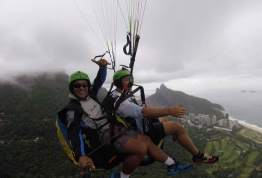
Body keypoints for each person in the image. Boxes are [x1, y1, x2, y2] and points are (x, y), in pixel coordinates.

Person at [56, 59, 193, 178]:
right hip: (103, 135)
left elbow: (98, 81)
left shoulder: (90, 95)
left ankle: (172, 165)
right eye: (77, 86)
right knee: (140, 148)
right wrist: (80, 156)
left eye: (84, 84)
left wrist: (103, 68)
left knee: (146, 140)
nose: (81, 88)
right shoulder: (72, 110)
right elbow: (74, 133)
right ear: (71, 88)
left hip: (115, 126)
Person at [111, 68, 219, 164]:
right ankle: (198, 156)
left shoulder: (118, 94)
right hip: (143, 130)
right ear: (118, 83)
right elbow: (143, 112)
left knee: (165, 119)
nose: (130, 83)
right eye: (127, 80)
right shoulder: (121, 102)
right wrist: (170, 110)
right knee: (178, 127)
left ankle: (176, 135)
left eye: (131, 80)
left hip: (141, 122)